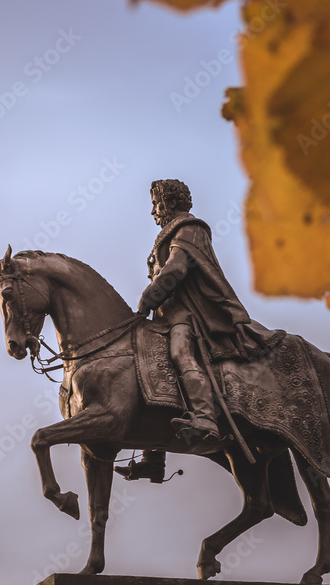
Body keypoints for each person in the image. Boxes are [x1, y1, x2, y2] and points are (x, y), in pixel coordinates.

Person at [115, 178, 282, 481]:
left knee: (180, 353)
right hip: (164, 316)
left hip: (189, 315)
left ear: (171, 202)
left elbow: (176, 269)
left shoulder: (190, 229)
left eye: (156, 203)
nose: (154, 211)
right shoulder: (168, 234)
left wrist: (148, 297)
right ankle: (154, 460)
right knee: (147, 368)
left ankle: (206, 419)